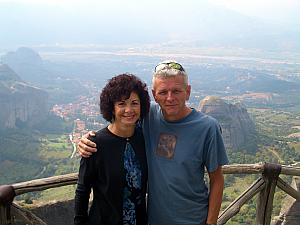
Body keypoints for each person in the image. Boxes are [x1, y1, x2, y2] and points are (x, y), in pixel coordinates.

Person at [78, 60, 229, 225]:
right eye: (163, 92)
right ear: (154, 95)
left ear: (188, 91)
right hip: (153, 220)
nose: (170, 98)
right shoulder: (148, 115)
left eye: (176, 91)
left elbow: (217, 179)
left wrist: (211, 222)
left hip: (193, 219)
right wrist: (90, 138)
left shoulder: (208, 128)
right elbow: (121, 123)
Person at [74, 74, 150, 225]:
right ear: (112, 108)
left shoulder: (144, 137)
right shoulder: (95, 144)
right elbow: (82, 191)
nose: (129, 110)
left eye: (134, 103)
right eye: (121, 104)